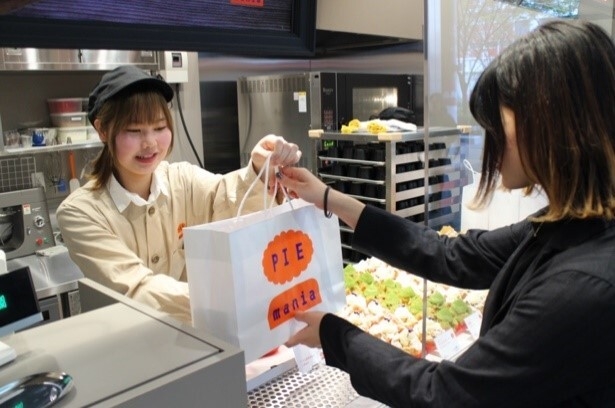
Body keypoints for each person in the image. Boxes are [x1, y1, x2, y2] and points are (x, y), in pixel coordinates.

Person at [277, 19, 615, 407]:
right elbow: (452, 255)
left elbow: (443, 394)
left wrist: (337, 337)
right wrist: (328, 198)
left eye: (498, 123)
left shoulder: (582, 286)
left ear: (553, 125)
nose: (490, 140)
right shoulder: (571, 226)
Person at [57, 65, 300, 324]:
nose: (150, 143)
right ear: (103, 130)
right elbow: (136, 289)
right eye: (134, 130)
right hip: (128, 340)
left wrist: (259, 171)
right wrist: (229, 301)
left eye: (159, 127)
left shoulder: (182, 179)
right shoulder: (80, 212)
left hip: (195, 336)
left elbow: (226, 198)